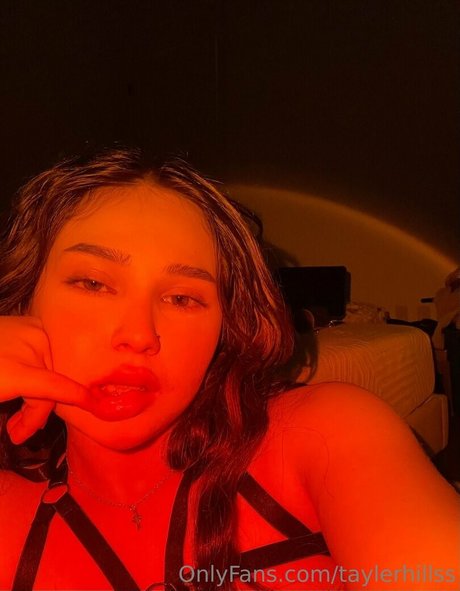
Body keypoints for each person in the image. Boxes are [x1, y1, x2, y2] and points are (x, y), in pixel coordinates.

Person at [0, 148, 458, 591]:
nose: (139, 334)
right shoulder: (10, 512)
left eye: (182, 298)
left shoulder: (326, 434)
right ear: (23, 303)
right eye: (93, 283)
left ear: (224, 330)